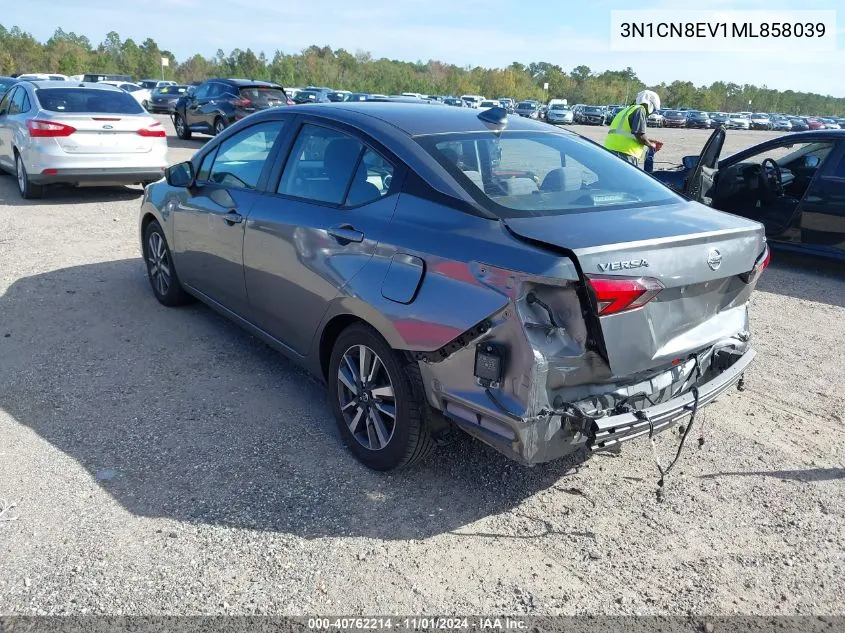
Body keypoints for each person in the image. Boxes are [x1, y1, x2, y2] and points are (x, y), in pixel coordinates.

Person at [604, 90, 663, 168]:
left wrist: (649, 140)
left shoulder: (627, 110)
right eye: (653, 110)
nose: (651, 113)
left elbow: (627, 133)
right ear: (650, 104)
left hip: (609, 150)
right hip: (626, 153)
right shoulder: (640, 110)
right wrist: (651, 145)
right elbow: (639, 135)